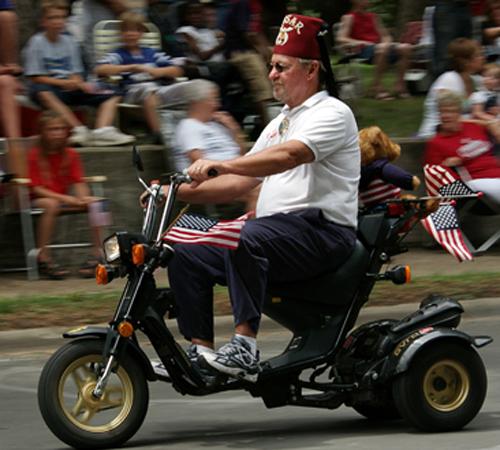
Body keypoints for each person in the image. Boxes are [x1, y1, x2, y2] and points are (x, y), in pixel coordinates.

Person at [149, 14, 360, 382]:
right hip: (277, 234)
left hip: (322, 234)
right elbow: (236, 184)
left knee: (241, 236)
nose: (272, 74)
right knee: (187, 251)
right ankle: (201, 354)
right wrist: (170, 193)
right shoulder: (282, 121)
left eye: (281, 67)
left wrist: (223, 163)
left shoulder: (333, 113)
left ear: (310, 70)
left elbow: (289, 156)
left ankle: (244, 348)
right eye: (272, 67)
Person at [23, 0, 136, 147]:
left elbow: (76, 71)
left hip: (71, 87)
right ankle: (79, 129)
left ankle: (102, 131)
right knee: (42, 92)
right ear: (43, 21)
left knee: (113, 92)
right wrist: (65, 83)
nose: (58, 21)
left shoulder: (71, 42)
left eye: (62, 17)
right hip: (49, 87)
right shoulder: (36, 42)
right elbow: (35, 77)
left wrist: (79, 82)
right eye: (53, 18)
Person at [28, 111, 109, 279]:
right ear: (43, 132)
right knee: (51, 204)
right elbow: (37, 189)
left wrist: (84, 198)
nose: (57, 133)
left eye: (60, 129)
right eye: (52, 129)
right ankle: (43, 255)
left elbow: (78, 181)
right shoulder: (34, 154)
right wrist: (67, 199)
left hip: (61, 199)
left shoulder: (71, 154)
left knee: (98, 203)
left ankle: (98, 253)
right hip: (39, 199)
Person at [95, 11, 185, 144]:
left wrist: (157, 71)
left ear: (142, 33)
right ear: (121, 33)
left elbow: (177, 70)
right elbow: (100, 69)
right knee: (148, 90)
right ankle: (158, 134)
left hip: (158, 90)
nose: (131, 34)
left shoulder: (152, 53)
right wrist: (130, 68)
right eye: (126, 30)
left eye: (136, 30)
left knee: (186, 90)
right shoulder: (119, 54)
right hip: (132, 92)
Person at [424, 90, 500, 207]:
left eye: (451, 111)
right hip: (474, 184)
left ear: (459, 112)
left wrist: (490, 124)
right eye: (442, 112)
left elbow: (494, 125)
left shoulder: (474, 127)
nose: (446, 116)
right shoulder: (436, 142)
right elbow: (435, 177)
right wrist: (446, 165)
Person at [336, 0, 413, 100]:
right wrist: (361, 42)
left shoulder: (374, 17)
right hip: (361, 50)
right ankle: (377, 87)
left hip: (379, 48)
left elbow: (385, 35)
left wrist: (386, 42)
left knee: (406, 47)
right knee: (382, 48)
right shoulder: (349, 17)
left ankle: (400, 86)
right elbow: (341, 38)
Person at [172, 79, 246, 171]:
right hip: (215, 177)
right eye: (214, 99)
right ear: (198, 103)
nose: (218, 104)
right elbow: (199, 163)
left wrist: (234, 129)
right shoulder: (189, 126)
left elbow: (243, 154)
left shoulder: (218, 125)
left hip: (236, 172)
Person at [418, 38, 484, 138]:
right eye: (478, 55)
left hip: (461, 132)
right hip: (436, 134)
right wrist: (486, 123)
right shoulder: (448, 80)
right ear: (465, 61)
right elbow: (447, 117)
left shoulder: (477, 81)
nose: (482, 58)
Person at [431, 0, 473, 79]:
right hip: (448, 5)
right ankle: (442, 87)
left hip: (465, 5)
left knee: (466, 50)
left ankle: (464, 86)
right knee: (445, 54)